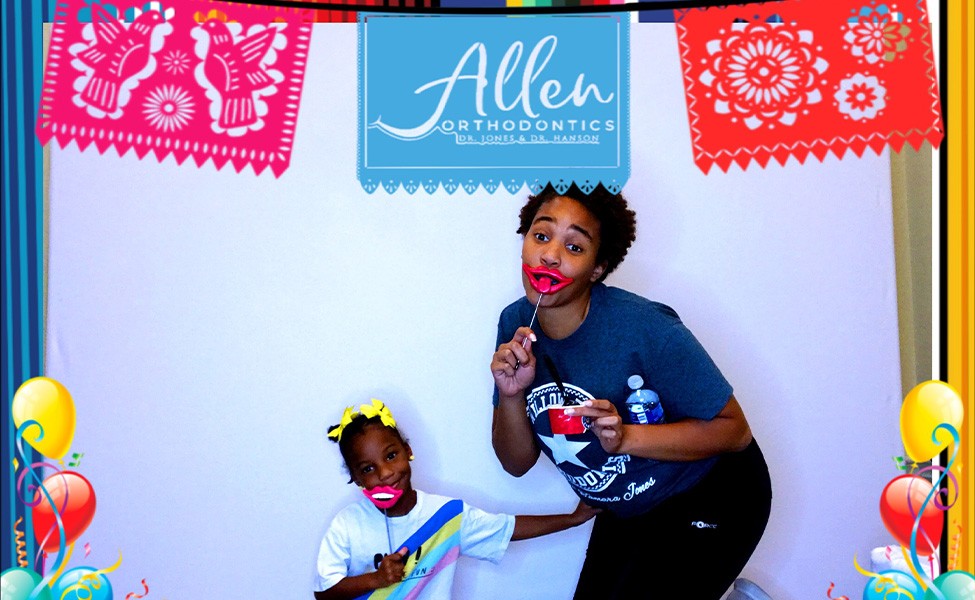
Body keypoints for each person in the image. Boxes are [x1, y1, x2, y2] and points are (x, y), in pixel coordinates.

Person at [490, 183, 772, 599]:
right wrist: (512, 394)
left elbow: (734, 431)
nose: (549, 255)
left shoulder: (644, 327)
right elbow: (516, 463)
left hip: (713, 491)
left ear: (598, 268)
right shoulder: (515, 324)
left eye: (574, 247)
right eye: (542, 235)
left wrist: (628, 438)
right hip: (628, 506)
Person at [314, 399, 599, 600]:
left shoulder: (446, 517)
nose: (386, 472)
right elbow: (324, 591)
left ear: (407, 450)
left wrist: (573, 519)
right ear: (356, 478)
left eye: (391, 456)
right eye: (368, 469)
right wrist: (376, 579)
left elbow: (507, 528)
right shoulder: (347, 524)